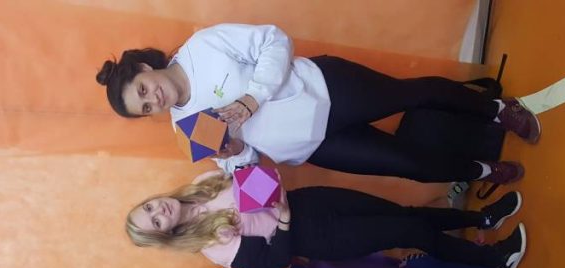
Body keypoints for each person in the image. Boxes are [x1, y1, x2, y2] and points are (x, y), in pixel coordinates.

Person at [97, 23, 540, 184]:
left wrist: (252, 98)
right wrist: (236, 152)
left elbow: (274, 40)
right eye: (145, 109)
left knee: (414, 93)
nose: (153, 100)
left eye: (142, 91)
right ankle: (484, 171)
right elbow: (245, 165)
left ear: (144, 68)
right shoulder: (185, 127)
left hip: (328, 88)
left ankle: (499, 111)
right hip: (316, 146)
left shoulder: (203, 46)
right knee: (409, 165)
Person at [125, 171, 527, 268]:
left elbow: (254, 178)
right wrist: (283, 223)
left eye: (150, 207)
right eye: (154, 221)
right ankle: (494, 259)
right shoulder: (211, 247)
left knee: (405, 213)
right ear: (164, 234)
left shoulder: (201, 184)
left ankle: (483, 217)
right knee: (409, 232)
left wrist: (247, 164)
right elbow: (273, 261)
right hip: (320, 236)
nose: (160, 211)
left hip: (312, 200)